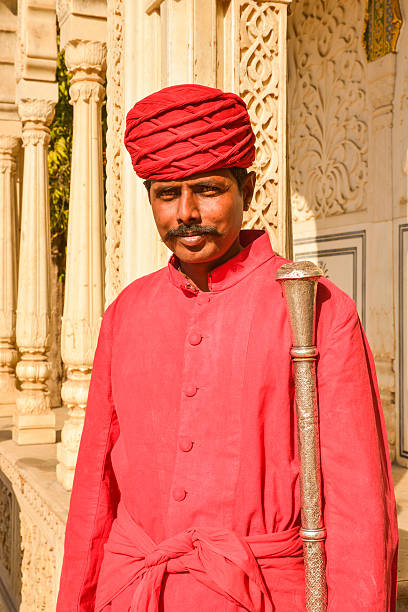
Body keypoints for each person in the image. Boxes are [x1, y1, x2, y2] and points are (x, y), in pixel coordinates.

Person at [56, 84, 398, 611]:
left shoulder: (314, 306)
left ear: (248, 188)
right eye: (166, 194)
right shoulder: (126, 313)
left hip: (261, 595)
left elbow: (359, 512)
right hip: (131, 594)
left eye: (208, 189)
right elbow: (93, 494)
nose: (186, 212)